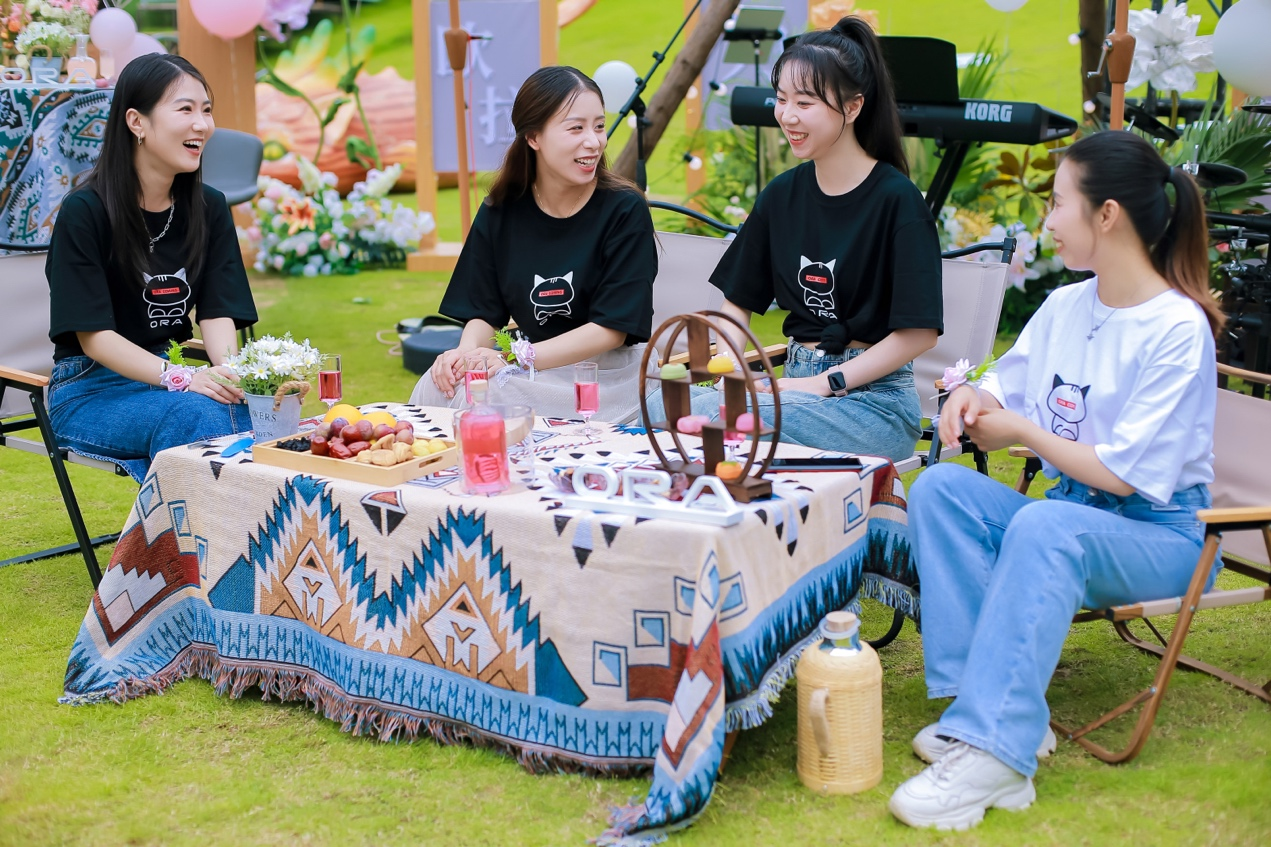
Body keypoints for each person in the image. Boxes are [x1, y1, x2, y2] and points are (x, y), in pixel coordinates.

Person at [888, 131, 1222, 830]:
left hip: (1163, 536)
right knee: (941, 492)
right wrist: (969, 398)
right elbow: (1003, 383)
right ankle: (980, 710)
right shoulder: (1067, 305)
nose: (1047, 219)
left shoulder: (1175, 327)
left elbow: (1123, 477)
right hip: (1074, 518)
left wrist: (1024, 432)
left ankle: (997, 758)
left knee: (1047, 523)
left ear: (1107, 215)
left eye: (1058, 202)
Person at [647, 16, 942, 462]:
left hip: (873, 404)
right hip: (789, 386)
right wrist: (730, 367)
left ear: (853, 107)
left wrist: (823, 383)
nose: (787, 116)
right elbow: (737, 303)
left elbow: (919, 333)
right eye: (781, 99)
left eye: (805, 102)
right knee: (663, 402)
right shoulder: (782, 195)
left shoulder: (897, 202)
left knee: (723, 418)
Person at [46, 54, 257, 482]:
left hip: (170, 372)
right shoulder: (85, 212)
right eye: (185, 109)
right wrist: (183, 378)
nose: (202, 124)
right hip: (90, 390)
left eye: (206, 110)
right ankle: (200, 524)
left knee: (256, 406)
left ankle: (192, 521)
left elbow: (217, 310)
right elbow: (95, 338)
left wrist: (229, 375)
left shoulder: (209, 207)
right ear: (136, 122)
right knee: (196, 415)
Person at [408, 66, 658, 423]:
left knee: (489, 394)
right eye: (576, 128)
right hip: (527, 368)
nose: (594, 141)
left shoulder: (624, 210)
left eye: (599, 126)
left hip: (603, 376)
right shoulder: (502, 209)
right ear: (534, 137)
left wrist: (515, 357)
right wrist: (465, 355)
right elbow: (484, 311)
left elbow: (610, 330)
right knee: (439, 386)